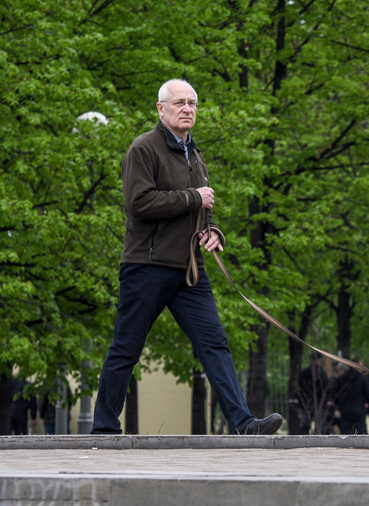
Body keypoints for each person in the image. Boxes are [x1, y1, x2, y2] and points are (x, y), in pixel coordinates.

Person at [91, 79, 282, 436]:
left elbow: (202, 210)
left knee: (215, 344)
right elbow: (139, 203)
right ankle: (103, 429)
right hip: (146, 266)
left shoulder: (195, 154)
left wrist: (212, 231)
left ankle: (243, 424)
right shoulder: (143, 149)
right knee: (126, 348)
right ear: (161, 109)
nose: (188, 109)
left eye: (193, 103)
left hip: (190, 271)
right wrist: (194, 197)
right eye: (179, 102)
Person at [330, 360, 369, 434]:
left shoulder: (341, 379)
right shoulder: (363, 379)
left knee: (345, 434)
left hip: (345, 411)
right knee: (361, 433)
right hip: (359, 411)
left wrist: (338, 406)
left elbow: (336, 395)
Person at [297, 352, 330, 434]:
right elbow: (326, 390)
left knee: (304, 427)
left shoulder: (304, 373)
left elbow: (299, 389)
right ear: (320, 360)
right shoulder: (322, 373)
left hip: (306, 403)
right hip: (319, 404)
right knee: (321, 427)